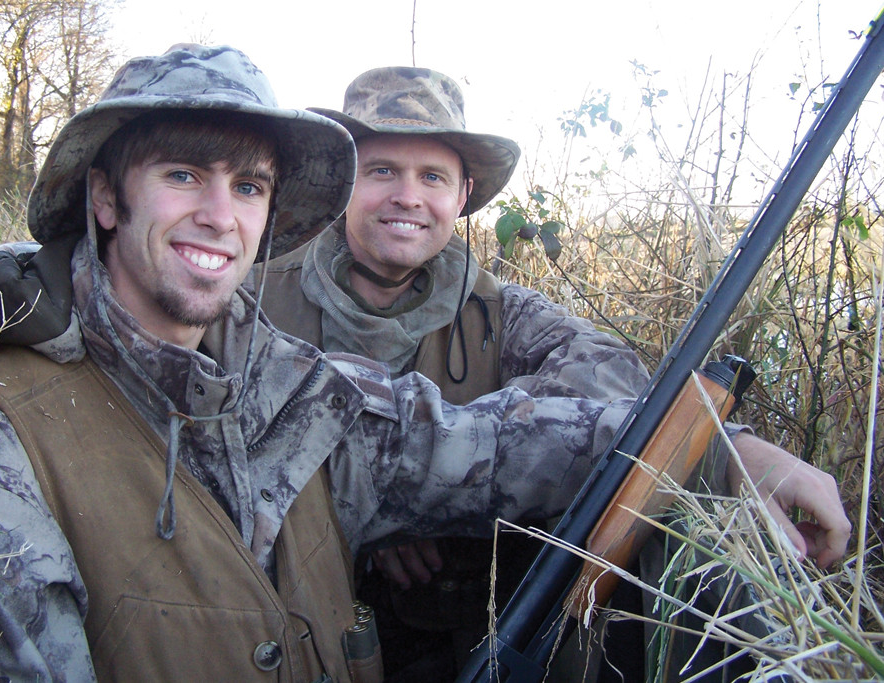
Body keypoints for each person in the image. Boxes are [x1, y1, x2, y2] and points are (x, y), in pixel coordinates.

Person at [0, 55, 850, 683]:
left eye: (249, 186)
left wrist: (728, 449)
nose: (220, 215)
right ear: (105, 197)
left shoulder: (293, 384)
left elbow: (495, 442)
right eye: (183, 175)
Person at [247, 66, 853, 680]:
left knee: (676, 539)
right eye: (382, 171)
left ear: (462, 195)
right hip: (290, 621)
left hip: (458, 619)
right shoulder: (251, 297)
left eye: (432, 176)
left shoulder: (500, 310)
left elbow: (612, 375)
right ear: (346, 181)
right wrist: (380, 513)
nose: (408, 196)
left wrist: (728, 448)